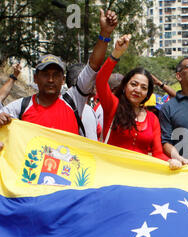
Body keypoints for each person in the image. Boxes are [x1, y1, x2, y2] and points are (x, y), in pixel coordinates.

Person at [0, 9, 118, 140]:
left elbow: (93, 66)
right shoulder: (20, 107)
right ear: (35, 78)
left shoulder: (74, 100)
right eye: (45, 74)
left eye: (56, 75)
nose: (51, 79)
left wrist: (105, 34)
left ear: (63, 80)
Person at [95, 35, 181, 169]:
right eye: (133, 84)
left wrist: (170, 162)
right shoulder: (113, 106)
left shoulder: (153, 119)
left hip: (140, 179)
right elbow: (100, 80)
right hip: (110, 175)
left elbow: (158, 153)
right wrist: (116, 54)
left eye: (143, 87)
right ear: (124, 86)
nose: (137, 90)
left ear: (148, 94)